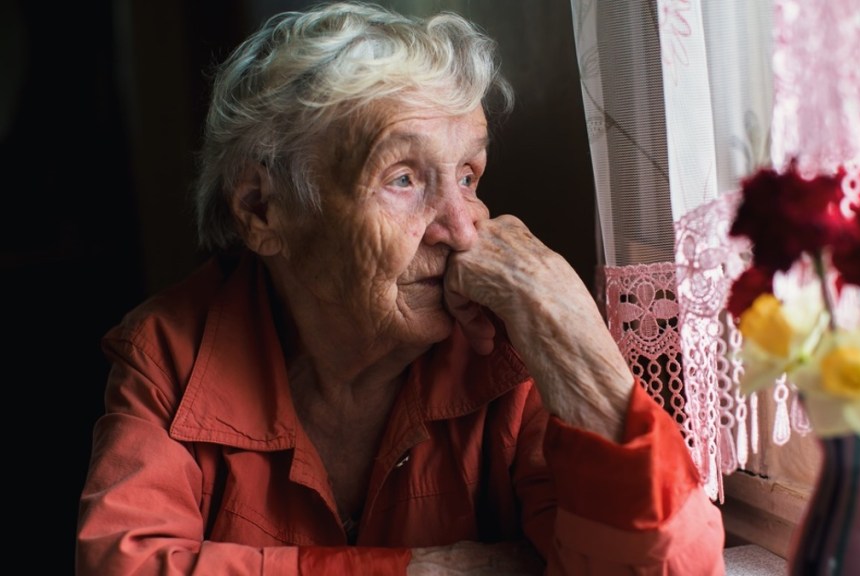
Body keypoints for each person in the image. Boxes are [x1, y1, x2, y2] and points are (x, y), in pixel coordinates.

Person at [75, 2, 726, 574]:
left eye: (468, 177)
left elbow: (670, 570)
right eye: (404, 179)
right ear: (262, 210)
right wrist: (416, 571)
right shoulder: (170, 352)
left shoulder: (508, 353)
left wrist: (569, 331)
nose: (463, 229)